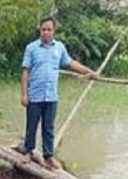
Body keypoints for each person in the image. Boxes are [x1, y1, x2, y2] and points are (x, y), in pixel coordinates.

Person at [20, 16, 97, 170]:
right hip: (35, 95)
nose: (46, 32)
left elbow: (70, 63)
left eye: (49, 29)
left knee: (48, 128)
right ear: (39, 29)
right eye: (43, 29)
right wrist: (24, 94)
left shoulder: (59, 48)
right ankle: (28, 152)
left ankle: (48, 156)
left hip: (51, 96)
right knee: (31, 126)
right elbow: (25, 72)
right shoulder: (32, 48)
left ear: (54, 31)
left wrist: (89, 71)